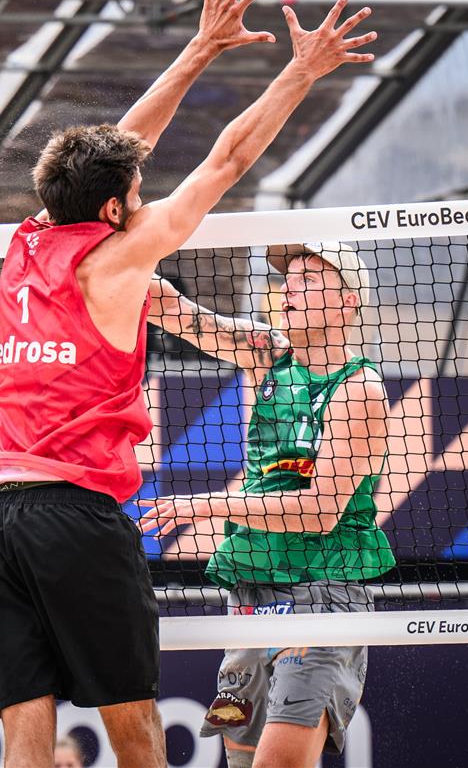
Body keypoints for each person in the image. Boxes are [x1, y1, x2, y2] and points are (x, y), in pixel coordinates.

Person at [0, 0, 377, 768]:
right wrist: (299, 71)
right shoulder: (118, 261)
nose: (143, 195)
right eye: (135, 192)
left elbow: (115, 152)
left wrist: (200, 49)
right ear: (113, 209)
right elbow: (226, 161)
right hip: (76, 517)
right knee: (138, 738)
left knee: (25, 740)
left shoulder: (26, 242)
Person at [140, 242, 395, 767]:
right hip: (250, 597)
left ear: (348, 302)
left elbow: (321, 510)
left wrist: (207, 506)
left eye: (309, 279)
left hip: (321, 595)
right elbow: (171, 309)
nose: (290, 288)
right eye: (289, 278)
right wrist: (104, 240)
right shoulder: (267, 355)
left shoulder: (359, 389)